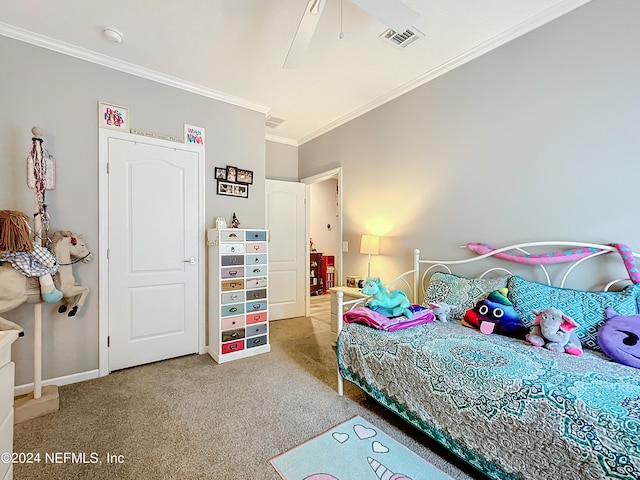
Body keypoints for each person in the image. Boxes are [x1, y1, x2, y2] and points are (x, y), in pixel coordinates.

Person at [0, 210, 63, 303]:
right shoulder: (28, 245)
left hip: (9, 262)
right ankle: (49, 292)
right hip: (23, 264)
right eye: (25, 226)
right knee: (43, 271)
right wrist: (51, 263)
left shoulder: (6, 245)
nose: (29, 228)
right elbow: (42, 257)